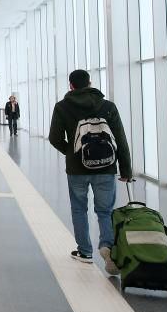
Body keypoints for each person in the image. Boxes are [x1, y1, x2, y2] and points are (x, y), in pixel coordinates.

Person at [49, 69, 132, 272]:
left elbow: (54, 138)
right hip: (106, 166)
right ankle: (107, 246)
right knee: (105, 211)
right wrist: (126, 169)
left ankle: (85, 252)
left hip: (77, 168)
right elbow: (120, 138)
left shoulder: (62, 107)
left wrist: (71, 151)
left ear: (71, 85)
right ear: (90, 83)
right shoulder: (108, 106)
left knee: (79, 208)